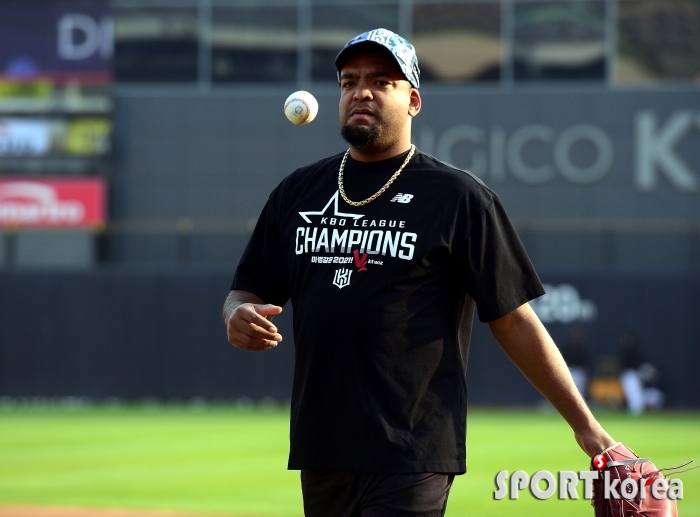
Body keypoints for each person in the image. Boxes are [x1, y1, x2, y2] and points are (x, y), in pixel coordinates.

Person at [223, 28, 614, 517]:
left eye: (380, 81)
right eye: (348, 82)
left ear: (413, 100)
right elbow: (245, 289)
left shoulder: (457, 197)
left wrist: (586, 427)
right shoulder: (298, 191)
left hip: (412, 448)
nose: (360, 92)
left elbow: (513, 319)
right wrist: (236, 314)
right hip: (320, 446)